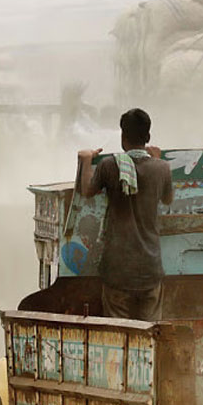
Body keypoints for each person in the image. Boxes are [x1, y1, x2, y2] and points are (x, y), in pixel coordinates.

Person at [78, 108, 173, 321]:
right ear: (147, 137)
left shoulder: (109, 166)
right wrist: (156, 159)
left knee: (118, 335)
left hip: (117, 270)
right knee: (149, 336)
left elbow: (86, 191)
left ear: (123, 137)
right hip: (150, 268)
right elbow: (167, 199)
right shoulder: (162, 169)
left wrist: (85, 160)